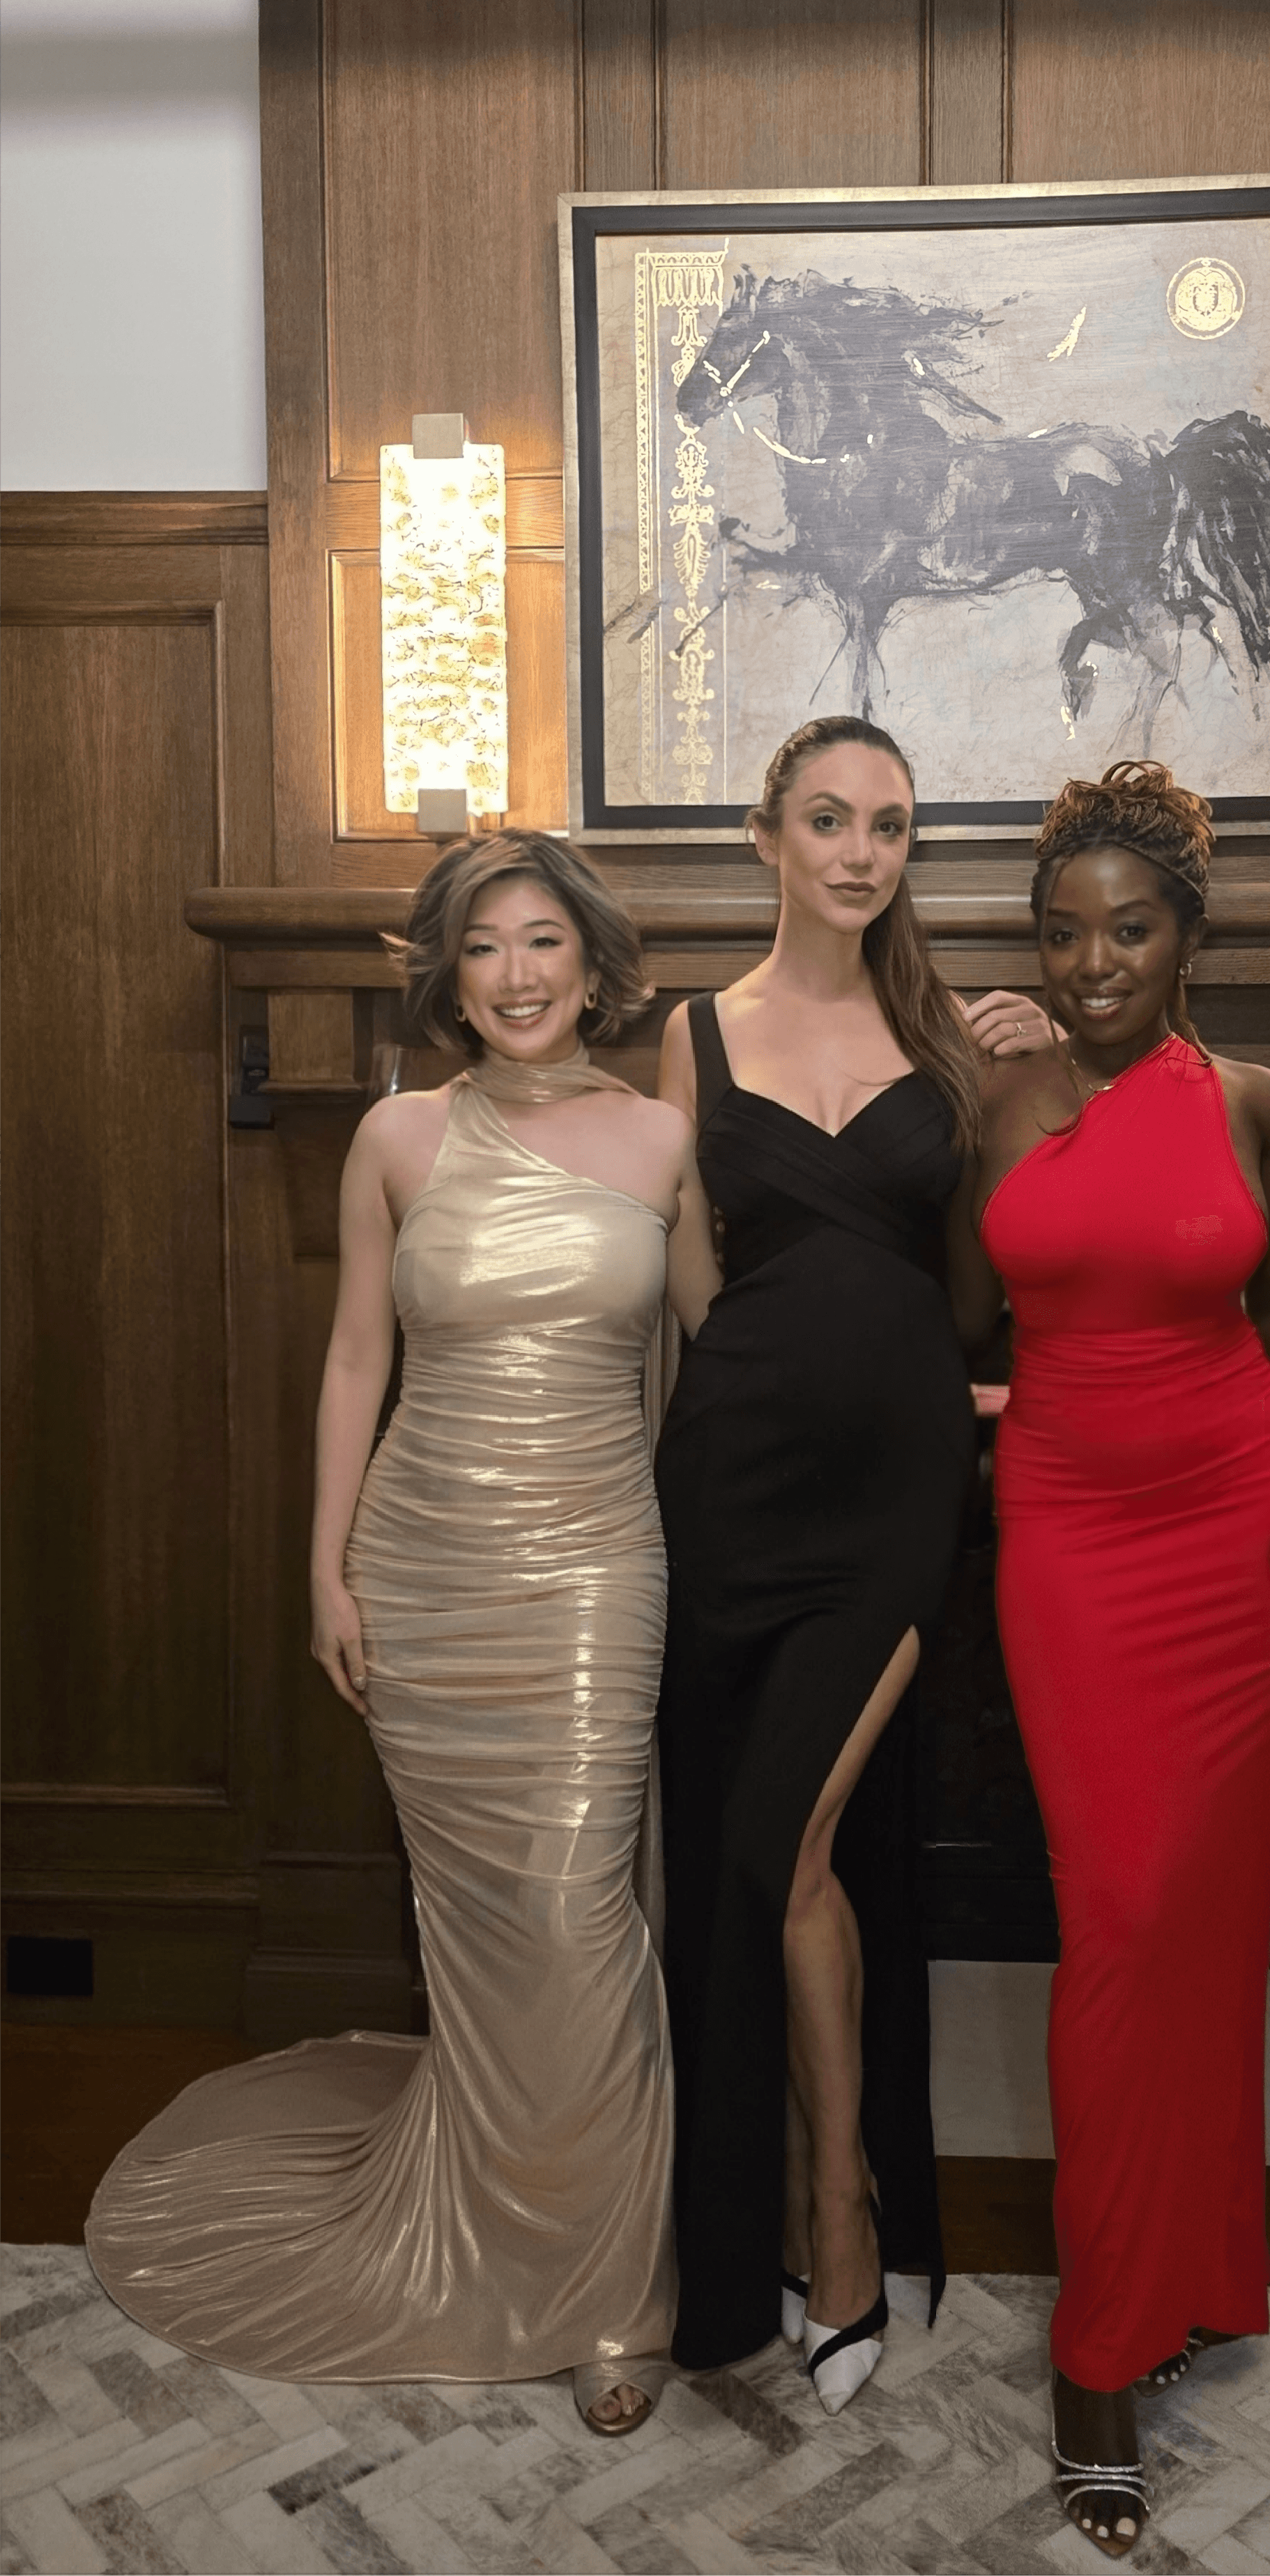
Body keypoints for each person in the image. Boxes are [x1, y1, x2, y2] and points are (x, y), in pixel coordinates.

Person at [88, 831, 719, 2435]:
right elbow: (358, 1358)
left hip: (594, 1569)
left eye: (541, 943)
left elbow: (728, 1360)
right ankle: (513, 2228)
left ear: (593, 959)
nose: (514, 974)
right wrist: (328, 1571)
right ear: (450, 974)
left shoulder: (662, 1137)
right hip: (425, 1560)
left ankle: (605, 2288)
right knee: (484, 1920)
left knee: (576, 1904)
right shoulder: (393, 1134)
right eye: (484, 947)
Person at [948, 761, 1270, 2559]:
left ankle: (1179, 2275)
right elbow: (964, 1329)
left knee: (1193, 1926)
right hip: (1070, 1544)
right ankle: (1096, 2351)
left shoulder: (1264, 1105)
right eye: (1064, 928)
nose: (1094, 959)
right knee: (1115, 1910)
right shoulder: (997, 1106)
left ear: (1190, 933)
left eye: (1129, 926)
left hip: (1242, 1530)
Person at [653, 711, 1049, 2414]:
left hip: (895, 1487)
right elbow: (685, 1282)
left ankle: (838, 2210)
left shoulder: (956, 1035)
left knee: (787, 1831)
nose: (861, 851)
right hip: (732, 1477)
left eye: (889, 825)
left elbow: (1018, 1253)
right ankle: (791, 2208)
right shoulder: (690, 1034)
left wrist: (1012, 1390)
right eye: (829, 818)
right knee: (757, 1862)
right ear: (769, 836)